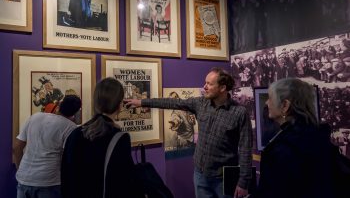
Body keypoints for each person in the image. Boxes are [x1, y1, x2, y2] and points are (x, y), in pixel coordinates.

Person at [125, 67, 253, 198]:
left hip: (224, 179)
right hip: (200, 176)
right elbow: (173, 103)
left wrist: (243, 182)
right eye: (205, 82)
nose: (204, 87)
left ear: (222, 88)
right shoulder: (201, 103)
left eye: (209, 83)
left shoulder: (239, 113)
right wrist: (141, 102)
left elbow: (245, 150)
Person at [253, 78, 336, 198]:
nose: (266, 103)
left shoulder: (284, 148)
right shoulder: (319, 136)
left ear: (285, 105)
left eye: (270, 98)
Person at [61, 78, 142, 198]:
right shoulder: (120, 137)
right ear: (120, 105)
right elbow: (124, 182)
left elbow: (66, 177)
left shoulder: (75, 133)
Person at [13, 95, 82, 198]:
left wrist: (20, 168)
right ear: (75, 112)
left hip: (24, 179)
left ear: (59, 105)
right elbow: (67, 159)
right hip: (49, 182)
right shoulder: (71, 128)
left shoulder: (35, 117)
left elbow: (17, 147)